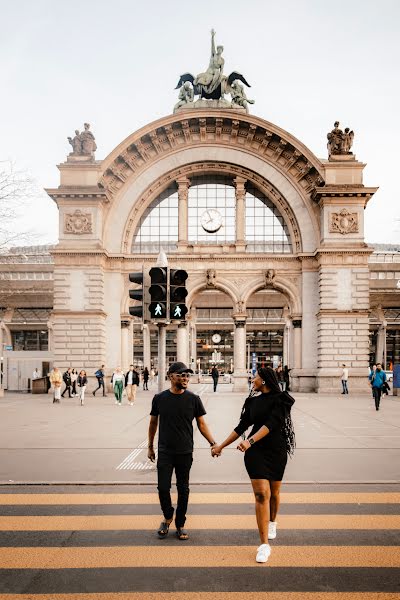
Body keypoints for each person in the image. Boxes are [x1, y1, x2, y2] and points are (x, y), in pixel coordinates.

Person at [212, 367, 295, 563]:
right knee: (261, 495)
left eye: (255, 377)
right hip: (255, 453)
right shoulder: (253, 402)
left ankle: (272, 521)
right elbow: (241, 427)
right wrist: (221, 445)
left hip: (276, 450)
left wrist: (250, 441)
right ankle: (264, 544)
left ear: (264, 380)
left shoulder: (281, 399)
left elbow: (273, 423)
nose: (252, 379)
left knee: (274, 493)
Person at [148, 362, 218, 541]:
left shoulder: (193, 399)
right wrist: (150, 446)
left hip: (185, 451)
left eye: (187, 375)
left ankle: (180, 523)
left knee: (183, 489)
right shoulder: (159, 398)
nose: (185, 378)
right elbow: (153, 423)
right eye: (181, 375)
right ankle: (168, 515)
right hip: (165, 451)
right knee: (163, 488)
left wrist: (213, 443)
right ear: (171, 376)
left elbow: (202, 424)